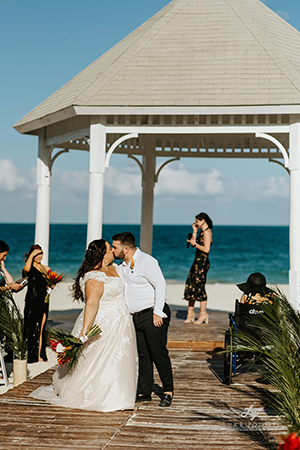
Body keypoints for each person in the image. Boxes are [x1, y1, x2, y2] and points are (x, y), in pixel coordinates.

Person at [30, 239, 138, 412]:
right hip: (104, 323)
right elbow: (92, 304)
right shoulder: (94, 277)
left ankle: (122, 395)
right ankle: (103, 395)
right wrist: (84, 332)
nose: (113, 251)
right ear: (103, 254)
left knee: (120, 358)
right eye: (110, 249)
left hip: (122, 322)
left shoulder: (116, 268)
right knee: (100, 358)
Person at [112, 231, 174, 408]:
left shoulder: (147, 261)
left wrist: (158, 312)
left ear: (125, 248)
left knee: (158, 353)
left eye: (114, 247)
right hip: (136, 316)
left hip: (152, 314)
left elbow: (160, 284)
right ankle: (145, 391)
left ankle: (168, 391)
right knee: (142, 355)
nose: (112, 249)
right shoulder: (122, 265)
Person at [23, 244, 51, 363]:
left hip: (43, 300)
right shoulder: (29, 267)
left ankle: (40, 354)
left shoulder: (46, 268)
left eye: (40, 254)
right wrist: (31, 256)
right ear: (31, 255)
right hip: (31, 300)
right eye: (36, 254)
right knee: (29, 327)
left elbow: (49, 283)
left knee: (41, 327)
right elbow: (26, 270)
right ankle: (30, 355)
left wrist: (52, 284)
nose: (39, 256)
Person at [183, 212, 213, 324]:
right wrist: (194, 232)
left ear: (203, 220)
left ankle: (203, 313)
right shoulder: (201, 232)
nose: (196, 223)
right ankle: (190, 313)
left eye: (197, 221)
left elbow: (206, 249)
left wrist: (194, 244)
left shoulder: (207, 232)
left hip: (203, 262)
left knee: (200, 286)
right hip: (197, 261)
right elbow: (192, 244)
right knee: (191, 284)